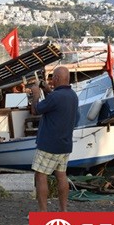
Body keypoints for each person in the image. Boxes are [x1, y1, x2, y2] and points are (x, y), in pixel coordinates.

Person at [29, 65, 79, 211]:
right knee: (61, 176)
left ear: (56, 78)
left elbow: (35, 110)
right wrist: (46, 89)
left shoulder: (56, 97)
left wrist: (36, 94)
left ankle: (43, 213)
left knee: (41, 176)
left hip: (49, 145)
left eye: (52, 78)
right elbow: (54, 102)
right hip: (64, 145)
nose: (51, 81)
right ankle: (63, 210)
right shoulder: (72, 95)